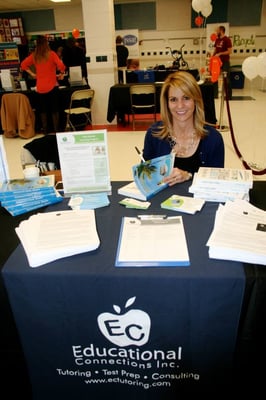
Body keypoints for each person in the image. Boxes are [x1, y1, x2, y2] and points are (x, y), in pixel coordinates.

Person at [142, 71, 224, 186]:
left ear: (196, 100)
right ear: (167, 103)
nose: (180, 106)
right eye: (173, 99)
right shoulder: (154, 134)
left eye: (186, 98)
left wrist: (188, 175)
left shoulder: (213, 139)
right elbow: (145, 178)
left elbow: (217, 183)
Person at [21, 35, 66, 134]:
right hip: (52, 85)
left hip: (40, 87)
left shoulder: (34, 56)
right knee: (54, 110)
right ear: (46, 43)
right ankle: (56, 130)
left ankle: (45, 130)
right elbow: (61, 65)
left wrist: (32, 74)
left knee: (43, 111)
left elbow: (23, 65)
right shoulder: (52, 54)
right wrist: (62, 73)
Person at [212, 25, 233, 99]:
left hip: (225, 62)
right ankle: (215, 95)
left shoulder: (227, 40)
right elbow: (215, 50)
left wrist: (220, 53)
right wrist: (212, 56)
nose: (216, 32)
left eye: (217, 30)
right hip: (216, 62)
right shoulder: (217, 40)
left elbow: (229, 51)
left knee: (226, 78)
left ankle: (228, 96)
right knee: (214, 78)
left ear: (221, 30)